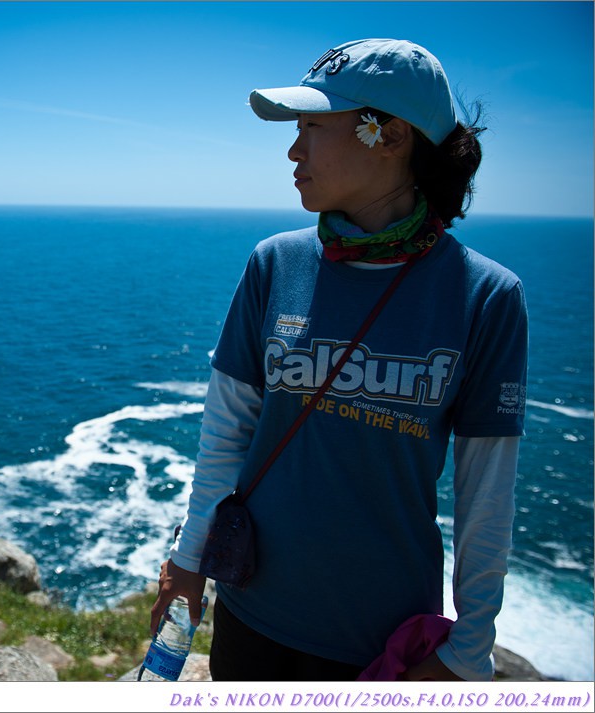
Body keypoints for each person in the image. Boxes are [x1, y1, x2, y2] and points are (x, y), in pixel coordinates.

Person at [150, 38, 528, 681]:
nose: (294, 151)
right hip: (251, 615)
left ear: (391, 135)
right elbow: (225, 434)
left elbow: (485, 495)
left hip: (380, 638)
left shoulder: (486, 296)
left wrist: (468, 650)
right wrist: (189, 564)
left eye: (313, 128)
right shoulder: (276, 263)